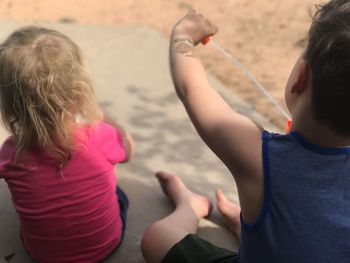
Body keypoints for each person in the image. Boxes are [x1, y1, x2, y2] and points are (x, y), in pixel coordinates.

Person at [141, 0, 350, 262]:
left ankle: (190, 207)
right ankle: (248, 226)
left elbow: (190, 88)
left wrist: (183, 35)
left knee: (157, 237)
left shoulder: (260, 159)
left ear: (300, 77)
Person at [0, 26, 134, 262]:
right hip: (106, 246)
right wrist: (102, 117)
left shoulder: (11, 153)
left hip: (42, 255)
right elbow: (128, 151)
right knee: (119, 194)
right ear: (81, 92)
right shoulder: (99, 135)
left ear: (10, 104)